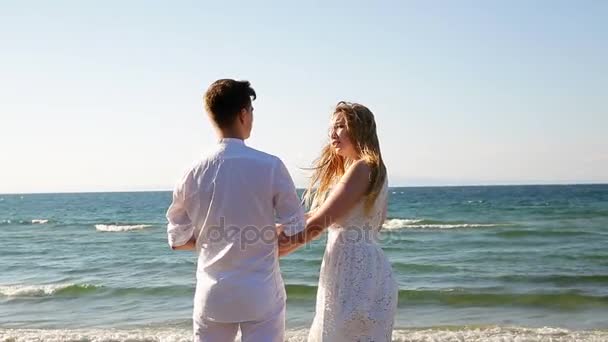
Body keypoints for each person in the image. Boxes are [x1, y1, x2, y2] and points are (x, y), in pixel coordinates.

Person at [167, 79, 305, 342]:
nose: (252, 117)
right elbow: (296, 230)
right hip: (260, 293)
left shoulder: (191, 172)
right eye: (251, 111)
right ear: (243, 113)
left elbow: (178, 240)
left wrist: (213, 240)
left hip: (213, 295)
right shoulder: (270, 166)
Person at [278, 101, 398, 341]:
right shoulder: (375, 170)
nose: (333, 133)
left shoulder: (362, 168)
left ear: (359, 129)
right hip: (362, 266)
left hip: (353, 268)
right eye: (332, 128)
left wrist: (271, 250)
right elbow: (320, 215)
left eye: (341, 126)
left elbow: (320, 222)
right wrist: (275, 230)